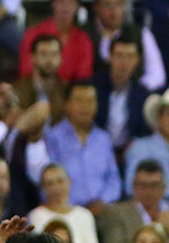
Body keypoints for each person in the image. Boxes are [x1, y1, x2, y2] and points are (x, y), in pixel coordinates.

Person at [38, 80, 122, 213]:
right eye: (79, 100)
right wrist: (71, 208)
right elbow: (47, 180)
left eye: (90, 101)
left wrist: (103, 201)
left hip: (102, 209)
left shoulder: (103, 139)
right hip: (65, 208)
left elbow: (113, 180)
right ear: (67, 105)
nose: (85, 107)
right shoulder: (53, 137)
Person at [86, 0, 166, 91]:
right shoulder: (85, 35)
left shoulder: (142, 34)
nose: (113, 10)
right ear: (96, 7)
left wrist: (133, 92)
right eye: (107, 4)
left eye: (118, 4)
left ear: (124, 6)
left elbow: (157, 75)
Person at [28, 162, 104, 243]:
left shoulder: (84, 215)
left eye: (60, 181)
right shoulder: (36, 216)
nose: (56, 187)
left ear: (69, 182)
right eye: (50, 183)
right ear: (43, 188)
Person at [93, 30, 151, 161]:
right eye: (119, 55)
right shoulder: (94, 87)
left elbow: (142, 133)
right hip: (95, 151)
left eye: (130, 56)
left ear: (137, 60)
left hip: (126, 155)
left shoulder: (142, 95)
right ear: (110, 57)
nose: (124, 62)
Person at [19, 0, 94, 82]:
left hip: (72, 93)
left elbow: (84, 77)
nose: (66, 6)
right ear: (53, 3)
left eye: (71, 1)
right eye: (61, 0)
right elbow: (26, 73)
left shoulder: (83, 40)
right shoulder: (33, 34)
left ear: (77, 6)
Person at [14, 33, 67, 127]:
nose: (49, 60)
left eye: (54, 54)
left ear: (61, 58)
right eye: (43, 54)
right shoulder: (18, 90)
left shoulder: (66, 90)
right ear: (33, 58)